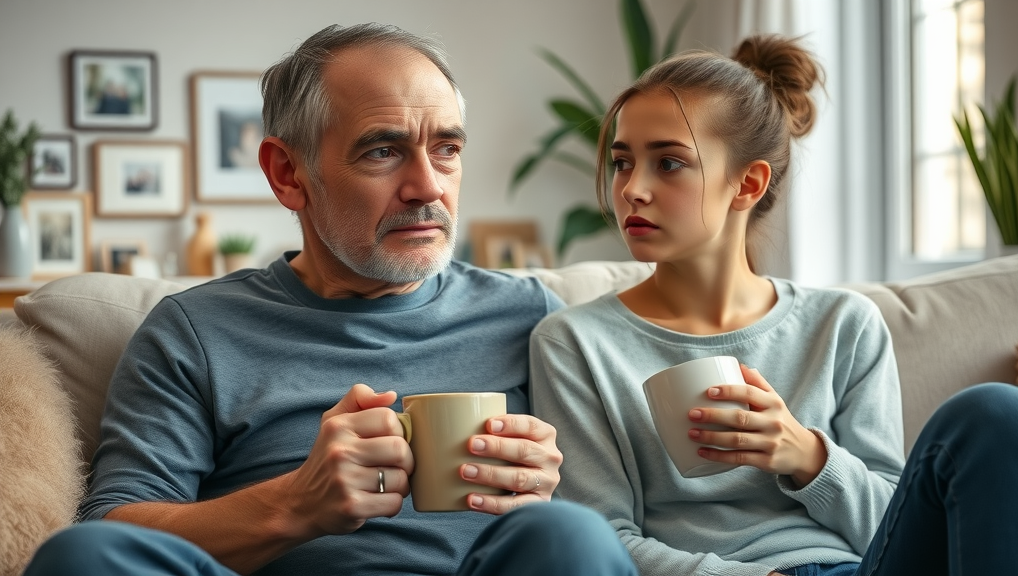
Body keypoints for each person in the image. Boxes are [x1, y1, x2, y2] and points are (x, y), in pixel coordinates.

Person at [24, 23, 638, 576]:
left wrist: (557, 480)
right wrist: (294, 504)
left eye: (446, 148)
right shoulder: (195, 330)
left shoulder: (533, 316)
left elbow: (630, 507)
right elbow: (114, 527)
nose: (427, 185)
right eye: (382, 150)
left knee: (567, 531)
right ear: (289, 174)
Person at [529, 34, 1018, 576]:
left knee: (994, 412)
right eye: (623, 163)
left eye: (668, 163)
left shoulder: (844, 325)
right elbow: (599, 537)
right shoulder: (573, 342)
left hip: (859, 569)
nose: (632, 190)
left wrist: (808, 456)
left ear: (748, 183)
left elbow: (895, 520)